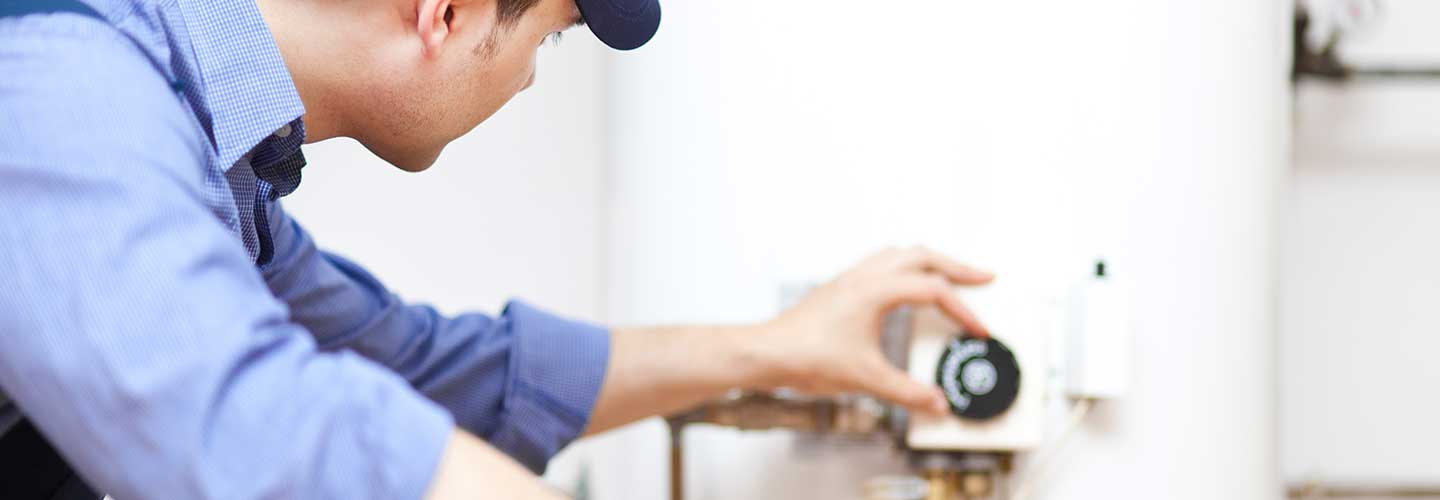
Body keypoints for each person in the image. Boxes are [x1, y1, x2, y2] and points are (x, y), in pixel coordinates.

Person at [0, 0, 995, 497]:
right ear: (444, 10)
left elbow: (422, 371)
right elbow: (242, 422)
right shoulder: (62, 78)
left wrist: (776, 346)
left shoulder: (218, 162)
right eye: (548, 41)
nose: (525, 82)